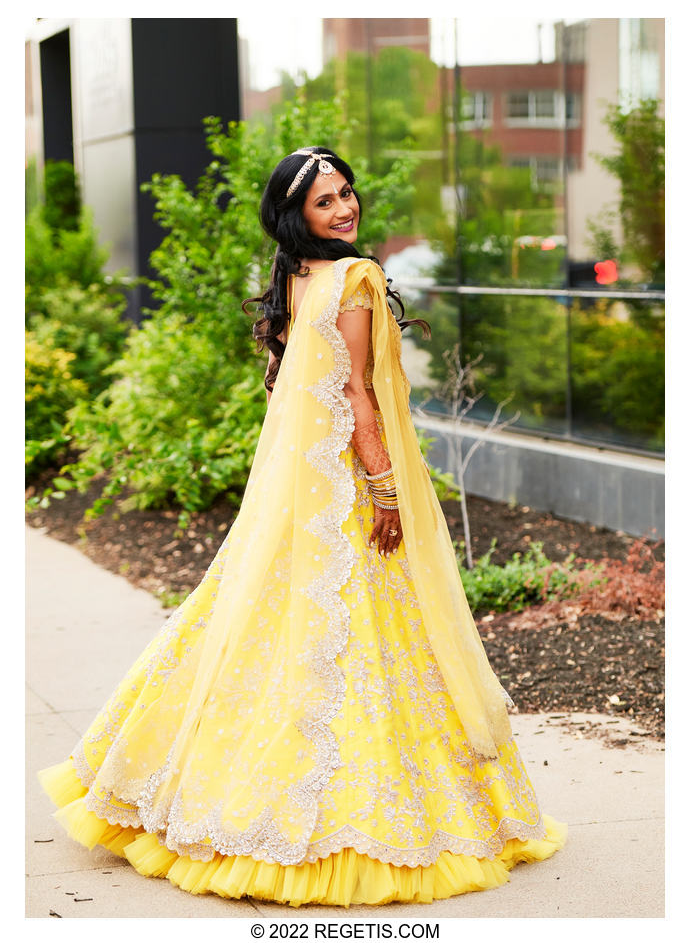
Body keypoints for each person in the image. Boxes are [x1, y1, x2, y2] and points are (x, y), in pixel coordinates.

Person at [38, 147, 567, 908]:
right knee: (359, 637)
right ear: (298, 216)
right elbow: (355, 393)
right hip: (344, 492)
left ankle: (199, 791)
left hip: (295, 493)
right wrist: (386, 493)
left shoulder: (297, 274)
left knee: (264, 624)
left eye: (347, 194)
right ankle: (353, 819)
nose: (345, 209)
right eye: (326, 202)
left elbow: (295, 382)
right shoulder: (355, 277)